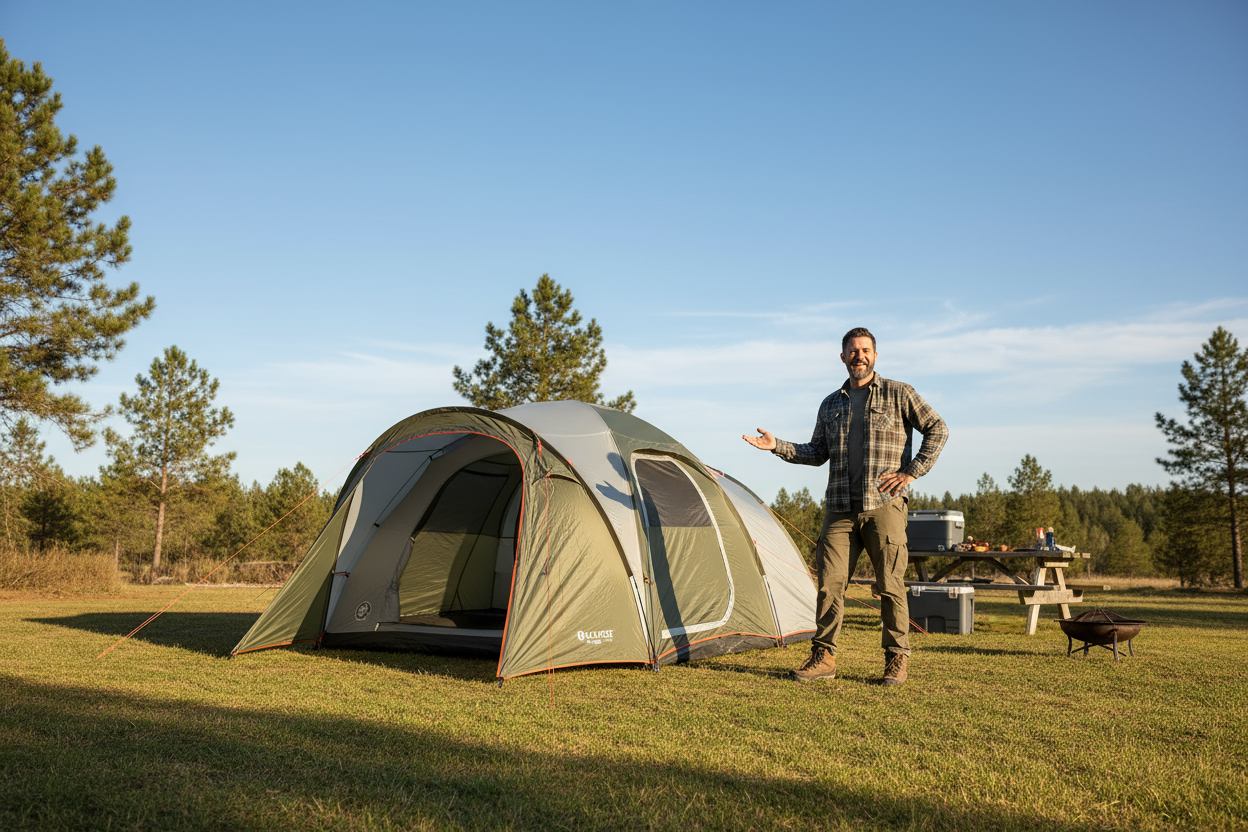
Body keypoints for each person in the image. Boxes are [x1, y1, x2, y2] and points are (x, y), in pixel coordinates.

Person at [743, 327, 947, 685]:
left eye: (865, 350)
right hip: (839, 508)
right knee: (829, 585)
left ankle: (896, 659)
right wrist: (777, 446)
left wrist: (911, 472)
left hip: (884, 505)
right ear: (843, 357)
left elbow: (937, 429)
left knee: (890, 586)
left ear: (875, 355)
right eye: (853, 351)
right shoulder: (830, 404)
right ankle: (824, 658)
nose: (859, 356)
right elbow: (816, 452)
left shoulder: (899, 393)